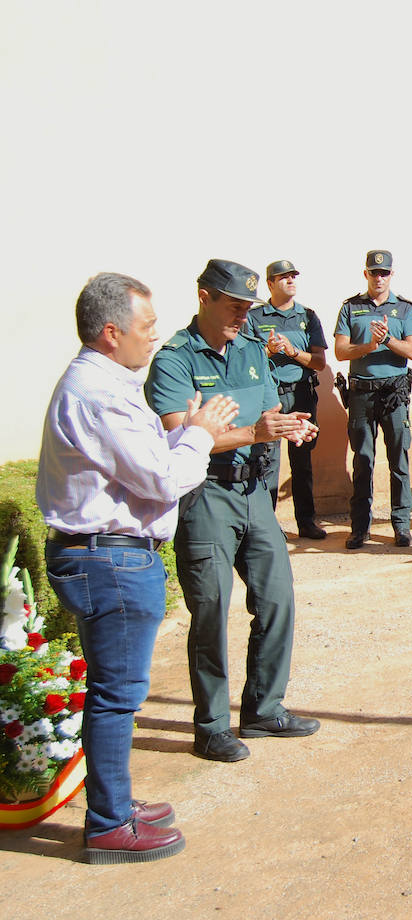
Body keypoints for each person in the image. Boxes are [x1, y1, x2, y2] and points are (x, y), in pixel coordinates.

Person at [38, 272, 238, 863]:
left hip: (111, 556)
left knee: (115, 690)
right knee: (116, 695)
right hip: (110, 560)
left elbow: (150, 465)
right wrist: (200, 435)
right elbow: (162, 479)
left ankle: (115, 805)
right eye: (145, 328)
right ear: (110, 332)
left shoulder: (106, 382)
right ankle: (107, 825)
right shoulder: (98, 393)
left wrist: (191, 435)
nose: (154, 338)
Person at [145, 259, 321, 763]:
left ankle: (264, 709)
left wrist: (289, 426)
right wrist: (251, 433)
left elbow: (268, 412)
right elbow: (183, 437)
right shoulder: (175, 360)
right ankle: (212, 725)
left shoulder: (250, 349)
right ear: (204, 298)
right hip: (204, 497)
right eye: (234, 307)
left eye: (248, 307)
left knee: (277, 598)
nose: (244, 316)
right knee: (210, 610)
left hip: (253, 493)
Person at [334, 250, 412, 548]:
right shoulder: (350, 307)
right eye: (374, 272)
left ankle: (401, 525)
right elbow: (340, 351)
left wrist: (387, 341)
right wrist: (370, 345)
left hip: (394, 393)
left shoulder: (406, 308)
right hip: (361, 393)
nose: (379, 277)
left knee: (399, 459)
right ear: (366, 274)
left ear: (391, 275)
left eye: (384, 272)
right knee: (363, 460)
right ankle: (360, 527)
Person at [245, 260, 328, 540]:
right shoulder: (254, 318)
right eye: (283, 277)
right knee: (267, 462)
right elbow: (245, 361)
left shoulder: (308, 316)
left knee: (302, 461)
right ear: (270, 283)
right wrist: (267, 351)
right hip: (269, 398)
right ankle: (267, 527)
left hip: (302, 394)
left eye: (293, 276)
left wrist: (293, 352)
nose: (291, 280)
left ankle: (306, 522)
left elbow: (319, 362)